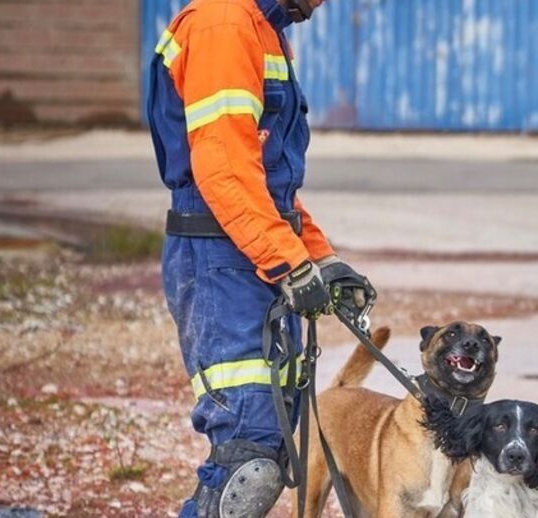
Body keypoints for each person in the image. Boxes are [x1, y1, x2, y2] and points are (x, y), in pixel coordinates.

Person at [147, 0, 373, 516]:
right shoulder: (225, 25)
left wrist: (321, 259)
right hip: (220, 259)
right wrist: (290, 263)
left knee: (266, 440)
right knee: (248, 454)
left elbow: (269, 188)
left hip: (245, 250)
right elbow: (224, 172)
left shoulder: (264, 31)